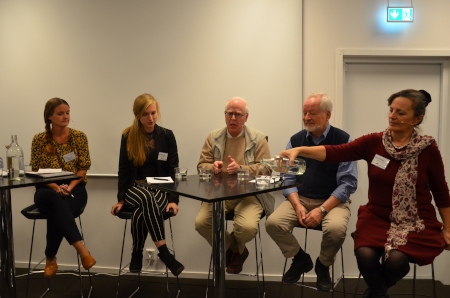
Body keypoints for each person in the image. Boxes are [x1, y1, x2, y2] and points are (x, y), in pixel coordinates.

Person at [280, 89, 450, 298]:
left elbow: (440, 190)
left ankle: (374, 293)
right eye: (391, 110)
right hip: (377, 216)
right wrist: (301, 150)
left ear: (417, 118)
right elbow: (336, 151)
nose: (392, 116)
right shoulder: (374, 142)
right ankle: (377, 293)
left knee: (397, 261)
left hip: (414, 219)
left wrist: (448, 227)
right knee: (365, 255)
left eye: (401, 113)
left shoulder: (428, 149)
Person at [265, 92, 358, 291]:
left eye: (312, 113)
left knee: (335, 231)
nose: (306, 117)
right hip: (300, 197)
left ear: (328, 114)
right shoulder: (295, 140)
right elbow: (287, 178)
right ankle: (300, 258)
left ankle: (323, 266)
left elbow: (348, 184)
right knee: (273, 223)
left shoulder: (343, 139)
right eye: (304, 112)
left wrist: (322, 210)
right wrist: (297, 205)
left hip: (333, 201)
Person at [195, 97, 274, 274]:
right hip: (218, 194)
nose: (233, 118)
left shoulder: (258, 139)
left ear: (246, 117)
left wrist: (242, 169)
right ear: (224, 115)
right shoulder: (213, 137)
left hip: (249, 195)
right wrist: (212, 167)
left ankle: (233, 250)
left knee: (246, 228)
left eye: (237, 114)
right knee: (202, 223)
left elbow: (267, 169)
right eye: (229, 113)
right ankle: (237, 251)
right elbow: (201, 166)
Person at [111, 93, 184, 276]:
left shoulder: (167, 135)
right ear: (137, 115)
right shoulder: (128, 136)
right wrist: (120, 199)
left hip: (160, 189)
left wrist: (174, 199)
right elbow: (123, 170)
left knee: (142, 209)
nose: (150, 118)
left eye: (153, 113)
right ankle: (165, 254)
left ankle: (136, 253)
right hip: (134, 188)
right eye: (145, 114)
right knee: (146, 197)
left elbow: (173, 170)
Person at [30, 97, 96, 278]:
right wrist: (55, 188)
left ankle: (50, 257)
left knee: (58, 209)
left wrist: (70, 187)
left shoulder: (79, 137)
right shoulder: (39, 140)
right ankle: (82, 250)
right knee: (54, 200)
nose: (66, 116)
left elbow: (83, 168)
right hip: (46, 189)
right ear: (49, 116)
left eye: (67, 112)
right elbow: (35, 171)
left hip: (75, 189)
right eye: (60, 113)